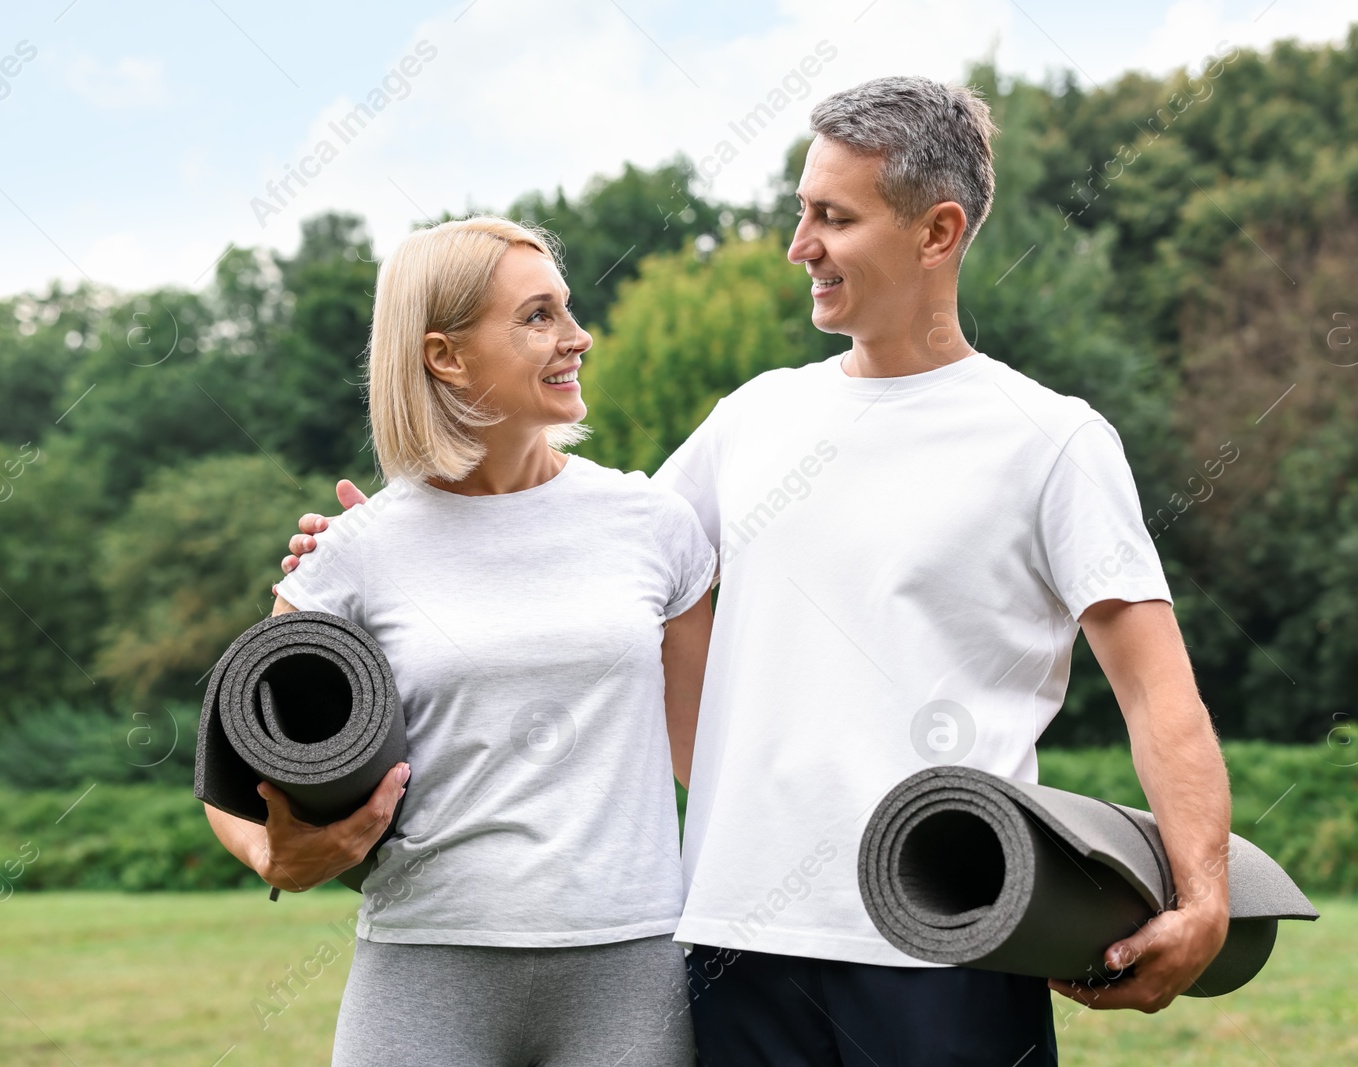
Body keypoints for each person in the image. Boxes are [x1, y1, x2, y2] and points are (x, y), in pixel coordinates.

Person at [288, 77, 1234, 1066]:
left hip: (945, 945)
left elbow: (1153, 687)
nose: (800, 245)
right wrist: (415, 539)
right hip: (729, 947)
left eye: (833, 216)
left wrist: (1203, 894)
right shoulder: (753, 420)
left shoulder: (1051, 440)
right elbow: (582, 562)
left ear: (937, 231)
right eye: (800, 211)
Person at [208, 215, 715, 1066]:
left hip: (630, 963)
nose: (577, 337)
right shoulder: (357, 548)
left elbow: (711, 760)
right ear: (444, 355)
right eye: (538, 316)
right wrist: (277, 853)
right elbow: (232, 767)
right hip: (424, 961)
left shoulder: (652, 525)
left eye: (567, 309)